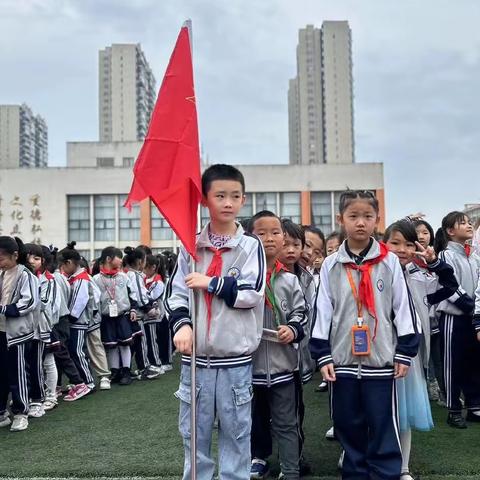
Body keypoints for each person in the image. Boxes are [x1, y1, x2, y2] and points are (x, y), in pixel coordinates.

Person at [165, 164, 266, 480]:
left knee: (237, 436)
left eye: (235, 196)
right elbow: (177, 294)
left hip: (236, 361)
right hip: (196, 363)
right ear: (204, 200)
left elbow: (251, 293)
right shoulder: (189, 245)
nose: (228, 203)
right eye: (219, 195)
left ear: (243, 199)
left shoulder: (251, 246)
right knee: (194, 435)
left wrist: (212, 283)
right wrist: (182, 325)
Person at [310, 190, 419, 480]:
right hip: (342, 361)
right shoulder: (331, 265)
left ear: (377, 220)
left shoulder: (389, 261)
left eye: (367, 216)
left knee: (383, 424)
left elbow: (402, 309)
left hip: (381, 361)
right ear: (341, 219)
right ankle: (355, 472)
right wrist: (322, 354)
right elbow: (322, 312)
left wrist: (405, 350)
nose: (361, 223)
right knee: (347, 423)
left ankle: (385, 473)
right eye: (353, 216)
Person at [384, 220, 458, 479]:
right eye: (395, 243)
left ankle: (403, 467)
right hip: (376, 355)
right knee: (373, 410)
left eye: (408, 244)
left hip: (408, 357)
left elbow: (450, 286)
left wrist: (435, 263)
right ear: (383, 244)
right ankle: (353, 454)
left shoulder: (419, 277)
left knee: (404, 412)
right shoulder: (373, 273)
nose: (401, 249)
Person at [248, 210, 306, 480]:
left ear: (284, 237)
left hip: (285, 367)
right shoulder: (245, 278)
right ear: (250, 238)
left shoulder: (290, 279)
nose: (269, 238)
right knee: (253, 420)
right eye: (261, 233)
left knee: (287, 422)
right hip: (249, 367)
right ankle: (257, 457)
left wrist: (292, 329)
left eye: (275, 232)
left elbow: (301, 312)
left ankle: (291, 468)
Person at [434, 211, 480, 428]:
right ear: (450, 231)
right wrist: (470, 306)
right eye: (462, 223)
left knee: (474, 362)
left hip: (472, 318)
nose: (469, 225)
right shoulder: (445, 255)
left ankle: (474, 406)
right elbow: (450, 286)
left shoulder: (475, 255)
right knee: (452, 363)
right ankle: (453, 409)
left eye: (469, 222)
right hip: (454, 317)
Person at [278, 219, 316, 475]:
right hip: (272, 357)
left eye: (296, 244)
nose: (291, 249)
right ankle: (263, 455)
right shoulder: (266, 274)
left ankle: (295, 457)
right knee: (269, 413)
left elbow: (311, 315)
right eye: (286, 243)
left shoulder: (307, 278)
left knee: (295, 412)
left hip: (298, 356)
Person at [0, 236, 40, 432]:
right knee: (2, 374)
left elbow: (30, 302)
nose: (0, 263)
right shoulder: (2, 274)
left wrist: (5, 310)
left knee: (18, 375)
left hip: (17, 333)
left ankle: (21, 412)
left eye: (1, 259)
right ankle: (2, 412)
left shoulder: (25, 275)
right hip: (2, 331)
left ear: (15, 255)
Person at [93, 246, 137, 386]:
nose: (121, 261)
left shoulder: (124, 276)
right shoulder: (96, 279)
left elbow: (132, 294)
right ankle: (115, 371)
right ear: (108, 259)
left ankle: (126, 371)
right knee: (111, 345)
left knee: (124, 344)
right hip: (106, 317)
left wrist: (134, 310)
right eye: (119, 257)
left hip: (122, 314)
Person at [414, 219, 446, 405]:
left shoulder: (436, 260)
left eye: (425, 232)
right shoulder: (409, 261)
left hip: (435, 319)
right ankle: (427, 387)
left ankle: (442, 390)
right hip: (417, 322)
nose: (421, 236)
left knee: (438, 356)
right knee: (419, 358)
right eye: (417, 232)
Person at [57, 242, 96, 392]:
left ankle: (88, 381)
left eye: (62, 265)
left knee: (78, 352)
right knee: (75, 351)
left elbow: (80, 300)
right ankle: (82, 381)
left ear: (69, 263)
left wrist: (70, 317)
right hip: (74, 321)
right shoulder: (76, 277)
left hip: (78, 321)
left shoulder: (81, 278)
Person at [25, 243, 57, 418]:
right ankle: (29, 396)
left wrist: (27, 298)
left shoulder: (48, 280)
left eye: (36, 258)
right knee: (28, 364)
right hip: (24, 328)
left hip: (40, 328)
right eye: (29, 257)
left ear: (44, 261)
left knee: (44, 363)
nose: (32, 261)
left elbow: (45, 303)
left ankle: (47, 396)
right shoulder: (23, 276)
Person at [123, 246, 160, 380]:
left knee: (134, 343)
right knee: (141, 341)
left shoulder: (127, 273)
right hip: (137, 314)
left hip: (130, 313)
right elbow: (139, 295)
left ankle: (127, 369)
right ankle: (144, 367)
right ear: (140, 262)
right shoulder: (134, 275)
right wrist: (148, 308)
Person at [144, 254, 167, 373]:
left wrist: (143, 296)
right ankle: (152, 362)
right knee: (148, 340)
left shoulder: (158, 281)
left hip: (154, 314)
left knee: (153, 340)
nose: (143, 270)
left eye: (145, 267)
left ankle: (157, 363)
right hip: (147, 315)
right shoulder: (145, 279)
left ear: (153, 267)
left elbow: (152, 296)